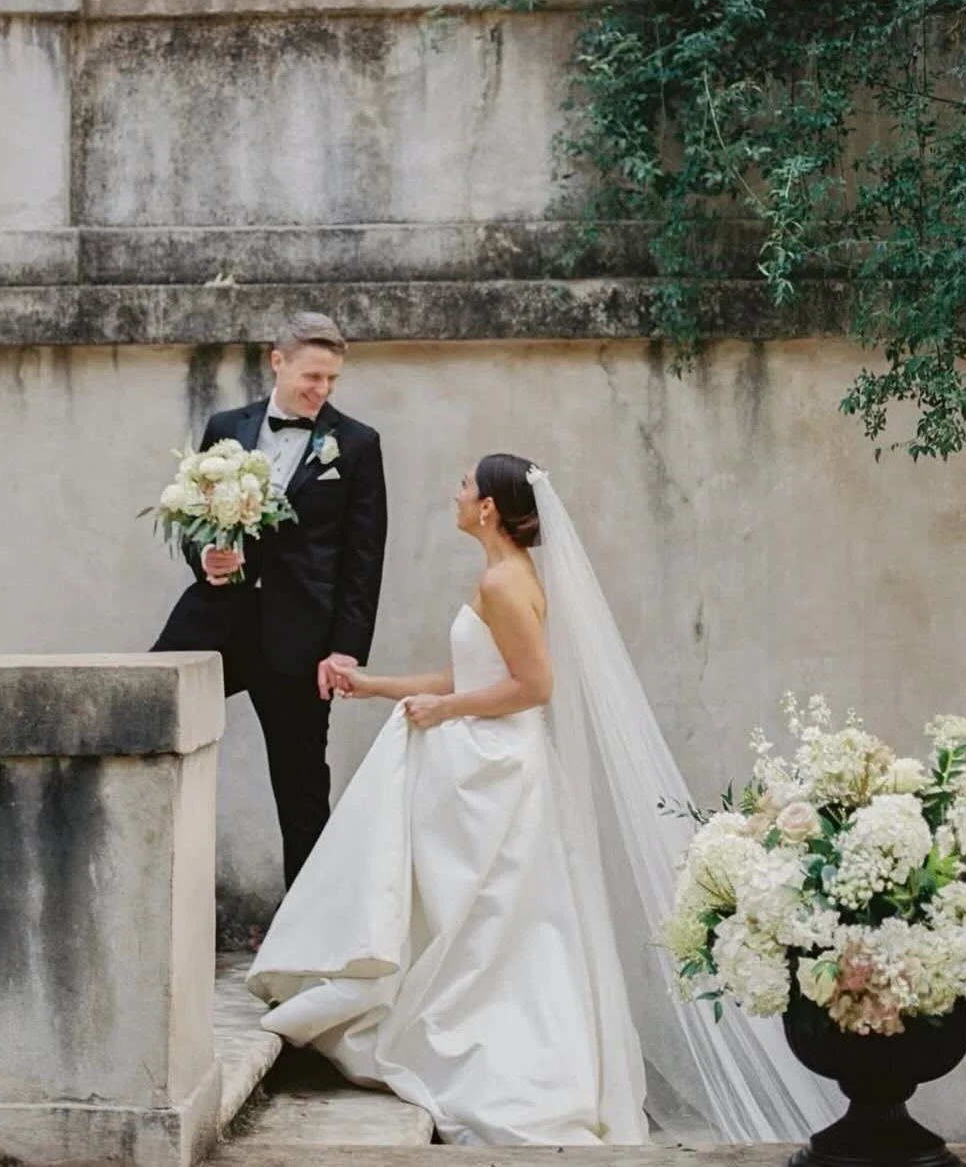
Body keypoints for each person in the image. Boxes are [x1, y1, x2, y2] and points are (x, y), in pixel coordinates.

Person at [246, 454, 839, 1146]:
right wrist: (377, 687)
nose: (457, 495)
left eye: (466, 486)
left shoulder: (504, 581)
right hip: (486, 759)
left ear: (490, 507)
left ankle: (510, 1062)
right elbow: (469, 670)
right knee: (484, 915)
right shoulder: (503, 576)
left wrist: (446, 711)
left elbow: (534, 685)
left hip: (499, 768)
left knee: (498, 916)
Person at [151, 313, 387, 887]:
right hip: (216, 620)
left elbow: (364, 557)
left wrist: (346, 651)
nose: (321, 390)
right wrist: (205, 559)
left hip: (302, 640)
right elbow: (195, 523)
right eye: (312, 376)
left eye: (331, 379)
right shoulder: (226, 428)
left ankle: (306, 940)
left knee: (302, 788)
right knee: (148, 729)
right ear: (276, 361)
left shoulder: (356, 445)